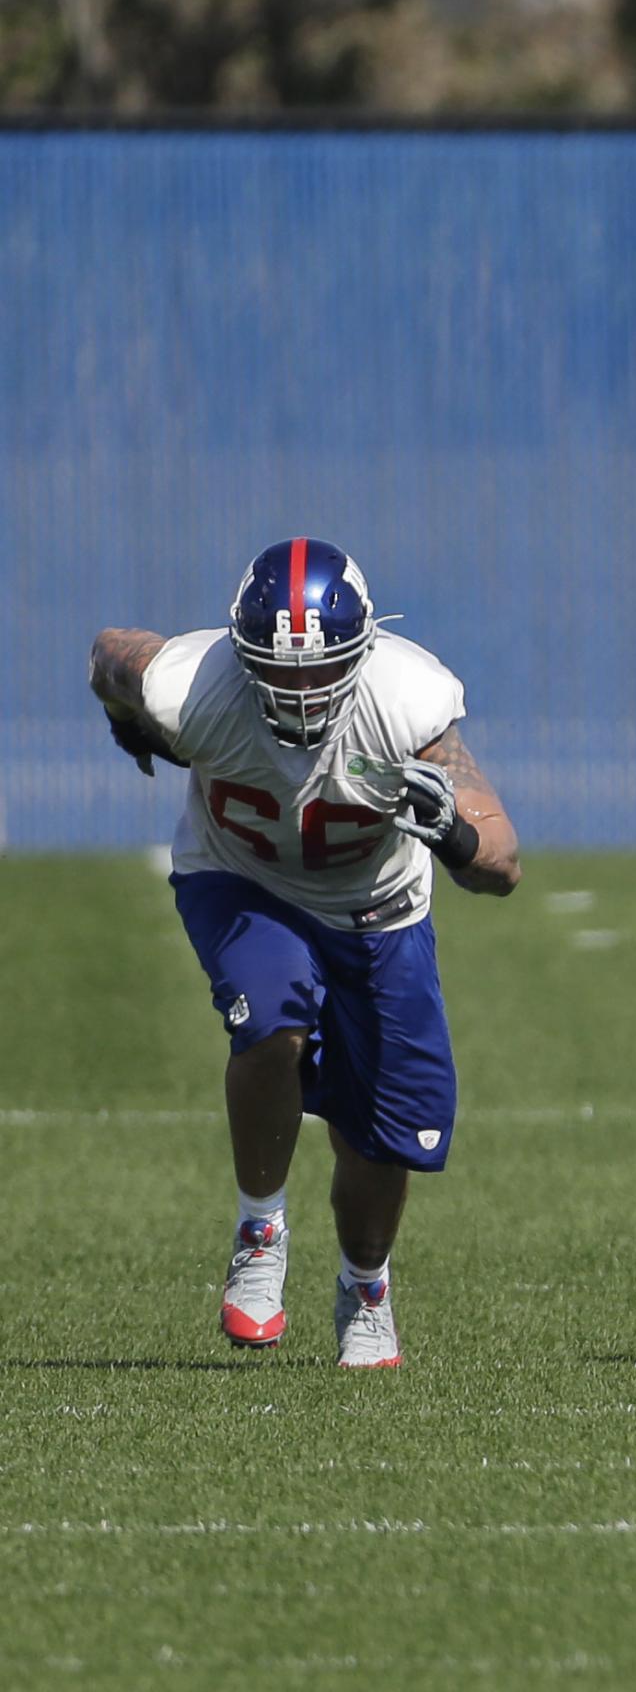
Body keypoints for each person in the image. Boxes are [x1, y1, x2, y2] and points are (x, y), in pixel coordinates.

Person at [89, 538, 522, 1369]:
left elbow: (503, 862)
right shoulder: (190, 685)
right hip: (242, 880)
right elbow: (113, 654)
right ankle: (261, 1229)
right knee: (272, 1012)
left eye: (318, 671)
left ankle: (365, 1285)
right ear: (241, 657)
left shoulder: (408, 702)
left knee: (385, 1133)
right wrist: (125, 718)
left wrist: (456, 836)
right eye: (277, 672)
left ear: (363, 653)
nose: (299, 689)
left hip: (378, 911)